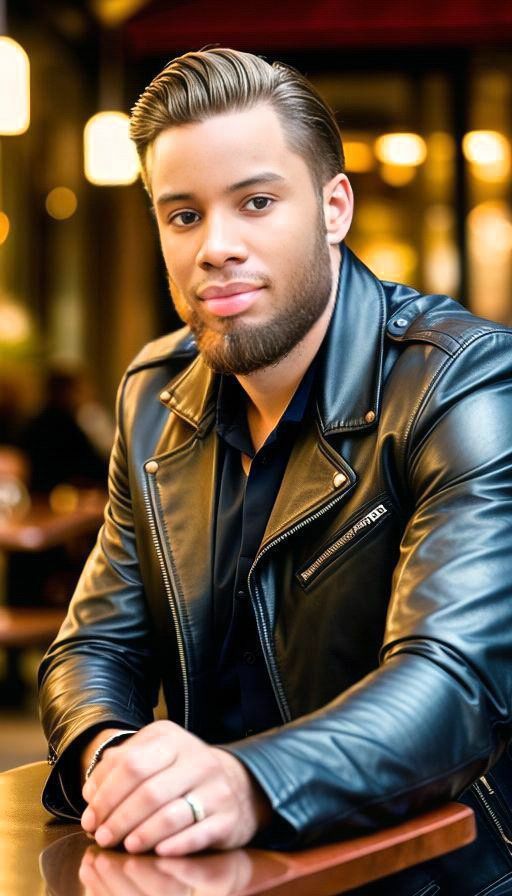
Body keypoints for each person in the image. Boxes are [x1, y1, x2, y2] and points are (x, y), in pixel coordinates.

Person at [39, 48, 512, 895]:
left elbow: (454, 684)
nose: (216, 247)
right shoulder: (154, 395)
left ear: (334, 208)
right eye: (183, 215)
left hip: (435, 878)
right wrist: (111, 756)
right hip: (212, 871)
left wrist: (246, 782)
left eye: (256, 202)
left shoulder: (463, 383)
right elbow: (94, 646)